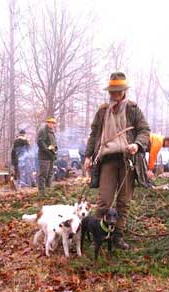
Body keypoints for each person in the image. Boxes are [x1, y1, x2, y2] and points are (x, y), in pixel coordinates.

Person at [85, 72, 150, 250]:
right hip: (107, 159)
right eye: (112, 91)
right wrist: (88, 156)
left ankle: (117, 236)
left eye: (117, 91)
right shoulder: (102, 111)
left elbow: (144, 130)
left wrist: (137, 145)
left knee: (123, 202)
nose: (114, 94)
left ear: (123, 91)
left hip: (128, 159)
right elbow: (94, 134)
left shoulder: (133, 109)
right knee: (104, 200)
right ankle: (98, 234)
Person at [37, 117, 57, 196]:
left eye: (53, 123)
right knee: (43, 174)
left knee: (50, 174)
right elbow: (40, 142)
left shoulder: (51, 131)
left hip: (51, 156)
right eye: (51, 123)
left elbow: (53, 143)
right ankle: (41, 192)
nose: (52, 124)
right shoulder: (43, 130)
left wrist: (54, 151)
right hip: (44, 156)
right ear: (47, 123)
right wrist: (47, 151)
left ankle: (48, 191)